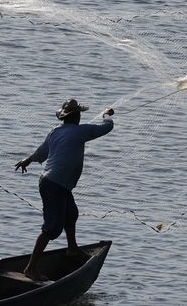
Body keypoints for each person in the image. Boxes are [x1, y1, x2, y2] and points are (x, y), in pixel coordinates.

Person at [14, 98, 115, 279]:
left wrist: (27, 160)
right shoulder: (81, 131)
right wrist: (107, 115)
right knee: (52, 228)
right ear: (76, 117)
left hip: (53, 183)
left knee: (71, 214)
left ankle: (72, 249)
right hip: (55, 184)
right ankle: (31, 268)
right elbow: (107, 127)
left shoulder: (55, 132)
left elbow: (41, 152)